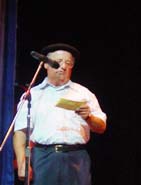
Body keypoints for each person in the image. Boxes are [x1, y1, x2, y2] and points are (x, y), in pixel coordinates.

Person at [13, 43, 107, 185]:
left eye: (68, 63)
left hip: (76, 157)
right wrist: (22, 162)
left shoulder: (83, 93)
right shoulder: (34, 94)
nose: (63, 66)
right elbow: (20, 131)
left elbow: (101, 127)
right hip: (44, 157)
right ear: (45, 64)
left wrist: (89, 117)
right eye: (58, 62)